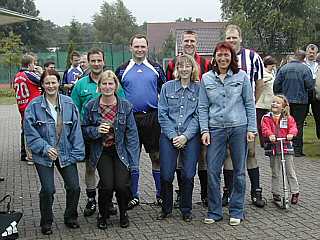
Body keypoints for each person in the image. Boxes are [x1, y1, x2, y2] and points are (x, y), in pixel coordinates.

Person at [199, 42, 256, 226]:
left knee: (239, 170)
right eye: (219, 55)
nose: (223, 58)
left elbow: (249, 103)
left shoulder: (242, 77)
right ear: (214, 57)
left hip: (239, 127)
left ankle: (237, 210)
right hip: (215, 128)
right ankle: (214, 211)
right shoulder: (206, 79)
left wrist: (251, 129)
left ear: (232, 57)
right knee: (213, 170)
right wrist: (204, 130)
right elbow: (202, 106)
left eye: (226, 55)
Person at [24, 69, 85, 235]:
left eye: (53, 82)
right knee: (48, 189)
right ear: (42, 85)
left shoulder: (69, 103)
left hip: (66, 152)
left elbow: (76, 131)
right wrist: (45, 148)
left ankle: (70, 217)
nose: (51, 86)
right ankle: (46, 221)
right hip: (43, 155)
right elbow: (30, 133)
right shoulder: (34, 106)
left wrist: (77, 153)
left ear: (59, 83)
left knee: (74, 187)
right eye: (47, 83)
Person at [82, 70, 139, 229]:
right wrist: (96, 130)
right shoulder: (91, 106)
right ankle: (102, 213)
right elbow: (84, 129)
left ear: (116, 85)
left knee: (121, 185)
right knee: (107, 185)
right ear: (99, 86)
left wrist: (134, 161)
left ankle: (123, 213)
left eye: (110, 83)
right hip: (101, 151)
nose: (107, 87)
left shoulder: (125, 105)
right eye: (104, 83)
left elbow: (132, 134)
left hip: (120, 151)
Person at [115, 34, 166, 209]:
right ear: (130, 47)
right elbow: (116, 94)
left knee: (157, 156)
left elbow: (164, 91)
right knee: (132, 158)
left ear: (147, 47)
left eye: (142, 46)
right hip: (131, 119)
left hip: (153, 117)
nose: (139, 50)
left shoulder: (156, 68)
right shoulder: (122, 70)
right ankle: (133, 195)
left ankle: (160, 194)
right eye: (136, 46)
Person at [71, 48, 122, 217]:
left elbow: (123, 106)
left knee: (109, 171)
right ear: (89, 62)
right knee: (90, 167)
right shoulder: (81, 84)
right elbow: (74, 110)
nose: (96, 63)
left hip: (111, 137)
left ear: (103, 61)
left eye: (99, 60)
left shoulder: (112, 81)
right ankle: (91, 199)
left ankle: (107, 200)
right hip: (89, 134)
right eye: (93, 60)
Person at [166, 30, 211, 207]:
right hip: (179, 123)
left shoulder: (206, 64)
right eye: (186, 41)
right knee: (179, 160)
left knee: (202, 158)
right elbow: (170, 88)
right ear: (182, 42)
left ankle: (205, 194)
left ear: (196, 42)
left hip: (200, 119)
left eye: (192, 41)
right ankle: (181, 194)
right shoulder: (172, 64)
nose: (189, 43)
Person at [223, 24, 265, 208]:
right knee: (229, 153)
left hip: (246, 114)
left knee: (251, 152)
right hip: (226, 115)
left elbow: (260, 83)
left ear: (241, 38)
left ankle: (256, 191)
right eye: (228, 38)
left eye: (234, 37)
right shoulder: (222, 56)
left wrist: (251, 104)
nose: (232, 41)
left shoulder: (253, 57)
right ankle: (229, 191)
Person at [158, 54, 200, 222]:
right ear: (176, 69)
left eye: (187, 66)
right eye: (180, 66)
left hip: (190, 137)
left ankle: (186, 209)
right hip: (169, 136)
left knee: (188, 174)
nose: (184, 69)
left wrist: (185, 136)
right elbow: (162, 115)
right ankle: (166, 208)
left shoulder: (199, 89)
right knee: (167, 175)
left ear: (192, 68)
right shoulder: (167, 87)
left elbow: (198, 115)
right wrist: (174, 136)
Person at [274, 50, 315, 157]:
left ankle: (284, 147)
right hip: (301, 101)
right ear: (303, 58)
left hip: (286, 101)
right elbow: (310, 86)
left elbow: (276, 85)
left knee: (284, 122)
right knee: (298, 124)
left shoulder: (283, 68)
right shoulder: (306, 69)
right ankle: (297, 150)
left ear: (295, 57)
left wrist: (280, 97)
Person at [261, 95, 299, 204]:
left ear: (283, 107)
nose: (274, 104)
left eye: (277, 103)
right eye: (273, 102)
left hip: (285, 147)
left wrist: (291, 134)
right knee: (275, 171)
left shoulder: (288, 118)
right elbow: (265, 128)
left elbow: (293, 127)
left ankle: (295, 192)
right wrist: (270, 135)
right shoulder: (267, 117)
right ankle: (276, 192)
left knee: (290, 171)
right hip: (273, 147)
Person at [13, 54, 42, 165]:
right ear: (30, 64)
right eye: (34, 63)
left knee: (25, 128)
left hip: (22, 105)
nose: (35, 66)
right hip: (32, 105)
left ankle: (24, 153)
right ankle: (31, 156)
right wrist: (39, 71)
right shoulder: (29, 74)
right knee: (32, 129)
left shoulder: (17, 75)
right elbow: (43, 81)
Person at [256, 56, 277, 147]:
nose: (273, 67)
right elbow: (259, 84)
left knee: (270, 123)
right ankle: (263, 142)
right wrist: (266, 80)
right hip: (261, 103)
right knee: (261, 124)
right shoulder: (262, 73)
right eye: (272, 66)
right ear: (266, 65)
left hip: (270, 103)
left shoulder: (272, 73)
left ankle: (269, 140)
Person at [305, 44, 320, 139]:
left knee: (318, 117)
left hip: (316, 93)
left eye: (313, 53)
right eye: (310, 52)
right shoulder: (302, 64)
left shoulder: (318, 65)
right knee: (300, 118)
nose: (311, 54)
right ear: (306, 53)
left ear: (316, 54)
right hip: (305, 92)